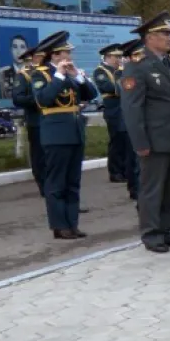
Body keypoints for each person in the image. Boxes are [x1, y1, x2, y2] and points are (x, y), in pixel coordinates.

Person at [122, 12, 170, 253]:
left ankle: (165, 229)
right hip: (153, 139)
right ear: (150, 37)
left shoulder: (168, 64)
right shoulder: (137, 66)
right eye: (164, 34)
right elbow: (132, 109)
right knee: (152, 189)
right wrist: (140, 142)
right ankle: (151, 233)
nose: (169, 38)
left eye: (169, 34)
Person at [33, 31, 98, 240]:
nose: (69, 57)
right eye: (65, 53)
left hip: (75, 132)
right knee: (56, 182)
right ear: (54, 55)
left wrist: (77, 76)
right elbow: (44, 99)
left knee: (73, 181)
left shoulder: (70, 74)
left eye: (69, 53)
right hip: (56, 134)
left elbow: (91, 94)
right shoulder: (41, 74)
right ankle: (59, 225)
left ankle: (72, 223)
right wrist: (59, 76)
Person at [11, 45, 47, 196]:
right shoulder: (24, 75)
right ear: (32, 58)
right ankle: (43, 185)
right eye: (39, 57)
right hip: (36, 120)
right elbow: (18, 99)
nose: (42, 59)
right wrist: (39, 98)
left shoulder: (48, 73)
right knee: (39, 155)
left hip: (51, 119)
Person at [93, 44, 128, 184]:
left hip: (124, 108)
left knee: (126, 140)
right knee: (116, 140)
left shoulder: (121, 70)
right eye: (116, 57)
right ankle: (115, 172)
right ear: (107, 57)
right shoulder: (100, 71)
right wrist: (124, 83)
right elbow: (108, 87)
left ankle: (125, 169)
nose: (119, 59)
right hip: (113, 109)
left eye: (120, 56)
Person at [118, 38, 143, 201]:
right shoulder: (129, 73)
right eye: (137, 55)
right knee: (135, 160)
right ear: (129, 57)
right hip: (132, 122)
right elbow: (130, 101)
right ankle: (135, 189)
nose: (140, 58)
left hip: (143, 122)